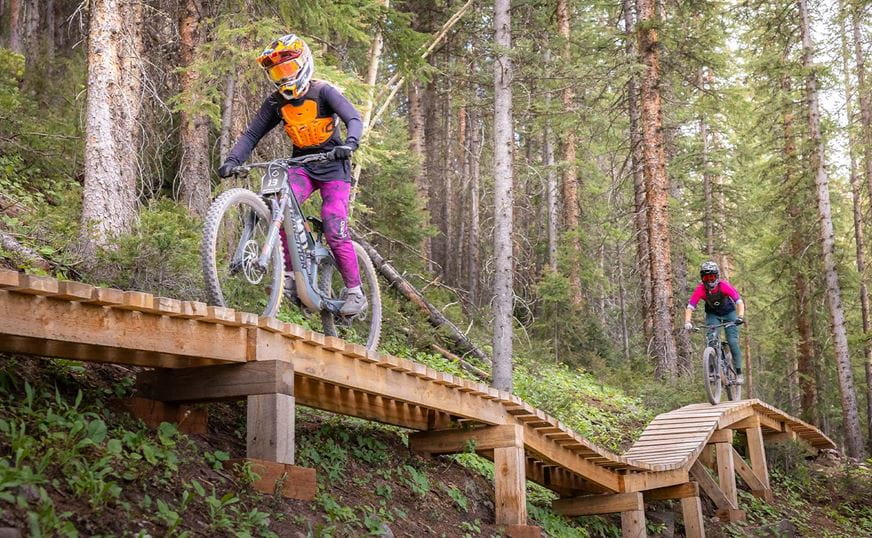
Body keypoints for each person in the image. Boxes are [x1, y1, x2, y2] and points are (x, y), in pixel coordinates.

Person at [217, 34, 366, 315]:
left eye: (288, 69)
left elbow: (353, 118)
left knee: (334, 224)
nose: (283, 77)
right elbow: (252, 134)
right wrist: (233, 160)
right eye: (277, 72)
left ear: (304, 64)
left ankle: (355, 291)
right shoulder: (276, 103)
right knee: (279, 208)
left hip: (334, 166)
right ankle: (289, 275)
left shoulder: (323, 92)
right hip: (303, 166)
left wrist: (350, 144)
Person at [684, 261, 746, 383]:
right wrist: (687, 322)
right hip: (713, 315)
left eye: (712, 277)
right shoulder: (700, 290)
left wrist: (740, 316)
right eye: (706, 277)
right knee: (711, 339)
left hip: (729, 314)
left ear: (717, 276)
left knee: (732, 341)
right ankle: (711, 371)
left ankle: (738, 373)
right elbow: (690, 307)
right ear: (702, 278)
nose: (709, 280)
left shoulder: (724, 286)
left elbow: (739, 302)